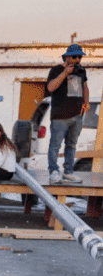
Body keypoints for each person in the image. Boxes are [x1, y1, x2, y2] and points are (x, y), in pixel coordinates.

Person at [46, 44, 90, 184]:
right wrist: (65, 73)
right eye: (75, 56)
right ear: (67, 57)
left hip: (77, 115)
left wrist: (86, 102)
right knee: (55, 145)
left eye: (80, 57)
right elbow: (50, 87)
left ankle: (68, 172)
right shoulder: (56, 70)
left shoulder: (81, 70)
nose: (78, 60)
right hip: (60, 116)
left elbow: (85, 87)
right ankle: (53, 171)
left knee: (71, 145)